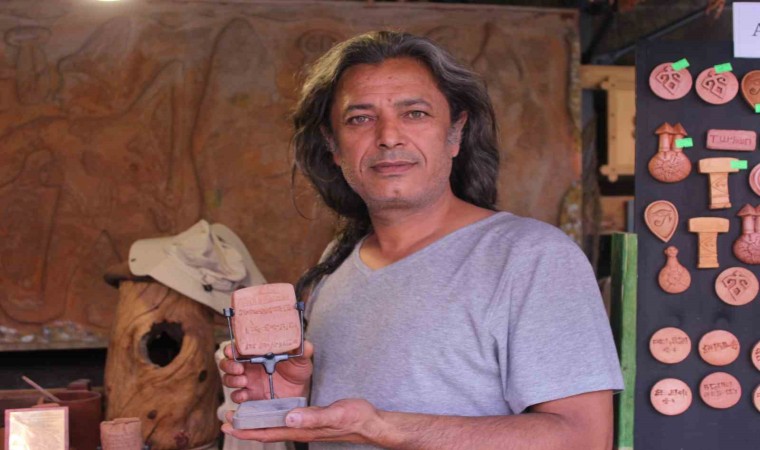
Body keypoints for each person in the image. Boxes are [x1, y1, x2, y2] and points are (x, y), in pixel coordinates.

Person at [220, 30, 623, 450]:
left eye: (415, 113)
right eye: (360, 118)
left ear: (455, 133)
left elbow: (585, 439)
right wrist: (291, 401)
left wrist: (380, 427)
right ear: (333, 146)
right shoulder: (336, 265)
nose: (389, 136)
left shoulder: (531, 257)